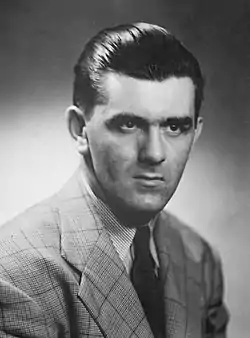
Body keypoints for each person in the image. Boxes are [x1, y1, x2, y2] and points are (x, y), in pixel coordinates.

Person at [0, 22, 229, 337]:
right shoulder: (12, 274)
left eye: (174, 127)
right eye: (129, 124)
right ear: (80, 130)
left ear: (196, 132)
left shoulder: (199, 257)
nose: (154, 153)